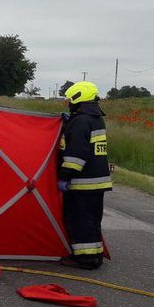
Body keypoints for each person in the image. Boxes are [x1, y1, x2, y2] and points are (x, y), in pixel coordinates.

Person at [57, 81, 111, 270]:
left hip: (82, 183)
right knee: (92, 220)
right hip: (97, 183)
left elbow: (76, 156)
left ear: (77, 99)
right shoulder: (96, 119)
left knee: (79, 220)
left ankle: (86, 260)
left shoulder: (80, 122)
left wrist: (64, 176)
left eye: (69, 100)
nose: (69, 104)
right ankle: (95, 255)